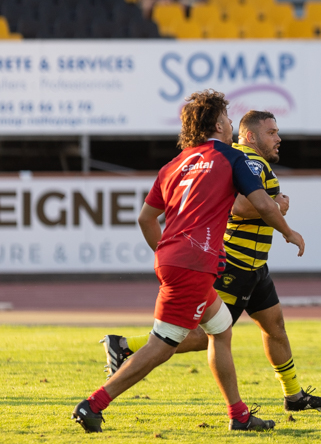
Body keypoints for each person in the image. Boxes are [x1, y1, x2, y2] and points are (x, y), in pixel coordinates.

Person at [71, 90, 304, 433]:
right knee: (161, 346)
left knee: (220, 329)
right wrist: (289, 232)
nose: (230, 123)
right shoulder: (230, 157)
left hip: (177, 259)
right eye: (226, 118)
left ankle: (239, 415)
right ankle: (93, 404)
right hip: (193, 264)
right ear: (218, 124)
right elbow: (263, 204)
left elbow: (145, 219)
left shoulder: (175, 164)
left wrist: (168, 253)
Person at [100, 111, 321, 414]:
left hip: (254, 266)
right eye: (271, 133)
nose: (278, 139)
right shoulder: (249, 160)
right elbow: (240, 207)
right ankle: (125, 346)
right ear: (250, 136)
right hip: (235, 264)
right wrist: (278, 210)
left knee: (274, 326)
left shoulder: (235, 159)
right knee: (206, 335)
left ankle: (294, 396)